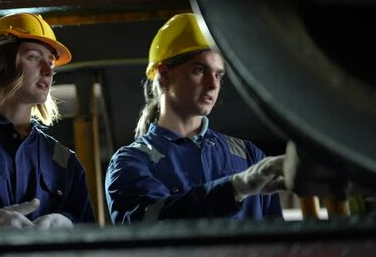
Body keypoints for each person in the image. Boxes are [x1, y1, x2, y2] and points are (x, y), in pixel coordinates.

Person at [104, 13, 285, 224]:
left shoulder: (249, 155)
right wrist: (235, 187)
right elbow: (153, 226)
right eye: (200, 70)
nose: (213, 84)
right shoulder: (130, 162)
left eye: (218, 75)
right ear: (164, 74)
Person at [0, 12, 95, 230]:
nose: (48, 70)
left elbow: (91, 237)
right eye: (33, 57)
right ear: (1, 63)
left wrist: (69, 226)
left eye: (51, 63)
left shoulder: (64, 160)